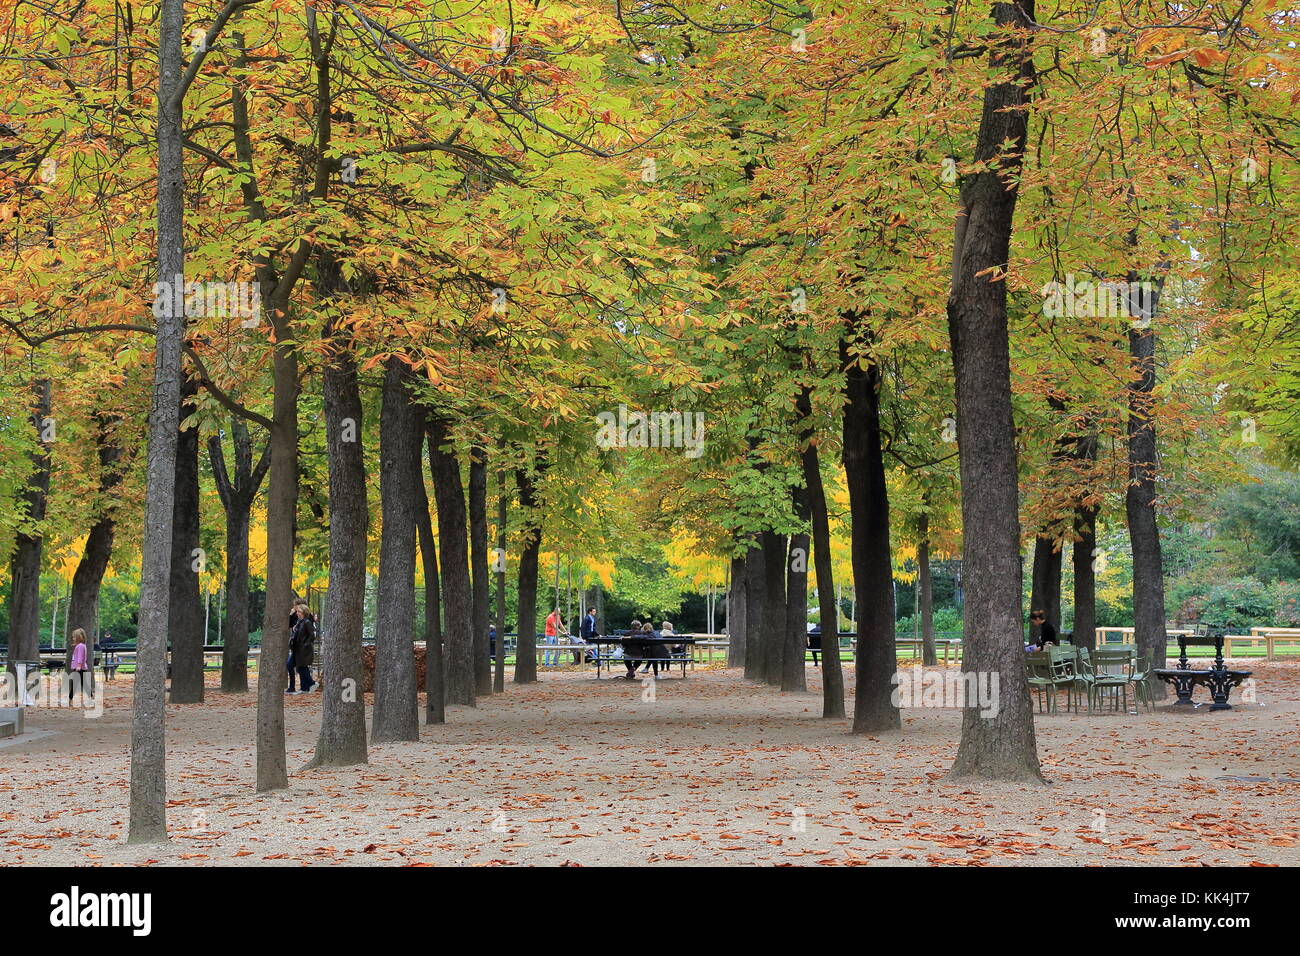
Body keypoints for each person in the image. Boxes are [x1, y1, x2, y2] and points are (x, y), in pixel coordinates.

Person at [290, 602, 317, 693]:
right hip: (298, 649)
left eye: (299, 612)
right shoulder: (299, 622)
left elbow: (312, 635)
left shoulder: (307, 622)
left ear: (304, 612)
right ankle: (305, 688)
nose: (297, 613)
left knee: (302, 667)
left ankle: (312, 683)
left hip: (304, 650)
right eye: (297, 611)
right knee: (300, 667)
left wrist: (305, 644)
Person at [68, 628, 92, 705]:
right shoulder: (80, 645)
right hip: (79, 667)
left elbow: (80, 657)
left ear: (79, 637)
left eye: (74, 637)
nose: (73, 638)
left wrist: (78, 665)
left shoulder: (80, 646)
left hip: (79, 668)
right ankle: (90, 697)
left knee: (76, 684)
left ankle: (70, 699)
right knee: (82, 683)